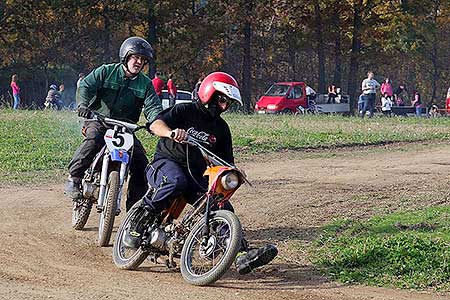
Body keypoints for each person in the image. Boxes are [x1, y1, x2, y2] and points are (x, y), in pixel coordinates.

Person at [124, 71, 278, 275]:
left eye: (228, 102)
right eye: (222, 99)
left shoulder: (221, 128)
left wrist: (235, 171)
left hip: (196, 177)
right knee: (175, 181)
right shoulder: (184, 110)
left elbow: (225, 162)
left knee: (221, 203)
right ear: (209, 93)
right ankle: (139, 221)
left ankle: (241, 254)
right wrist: (171, 133)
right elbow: (155, 124)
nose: (224, 106)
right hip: (165, 163)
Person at [64, 36, 163, 212]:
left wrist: (155, 122)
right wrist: (83, 105)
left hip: (125, 128)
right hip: (98, 120)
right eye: (135, 57)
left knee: (141, 163)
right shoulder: (106, 71)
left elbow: (153, 107)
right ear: (125, 56)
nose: (139, 62)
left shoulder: (146, 84)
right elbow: (86, 86)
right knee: (93, 139)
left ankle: (134, 210)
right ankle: (74, 177)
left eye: (143, 60)